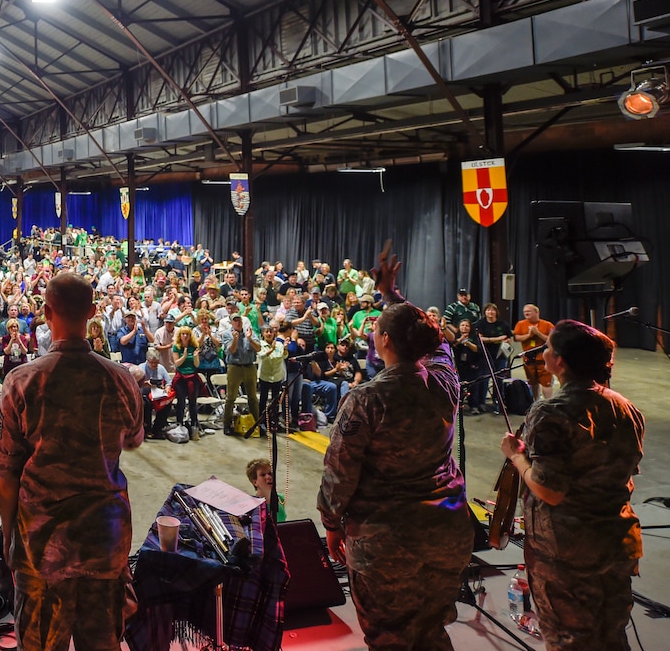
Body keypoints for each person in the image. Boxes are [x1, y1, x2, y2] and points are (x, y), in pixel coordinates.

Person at [318, 243, 474, 651]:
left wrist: (332, 524)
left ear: (384, 340)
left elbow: (339, 473)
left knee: (390, 638)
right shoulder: (445, 378)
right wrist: (394, 296)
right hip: (446, 531)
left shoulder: (367, 399)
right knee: (431, 630)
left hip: (386, 540)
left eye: (376, 328)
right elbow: (435, 342)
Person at [0, 272, 143, 651]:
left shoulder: (22, 381)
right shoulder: (121, 379)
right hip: (104, 544)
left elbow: (5, 476)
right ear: (93, 312)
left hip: (42, 546)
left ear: (45, 312)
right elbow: (134, 440)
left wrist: (11, 537)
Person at [499, 320, 644, 651]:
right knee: (611, 634)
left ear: (560, 361)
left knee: (571, 640)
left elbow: (550, 489)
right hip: (616, 540)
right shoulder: (626, 407)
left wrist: (517, 456)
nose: (544, 352)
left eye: (548, 347)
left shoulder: (551, 412)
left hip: (568, 553)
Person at [223, 313, 259, 436]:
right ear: (231, 322)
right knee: (230, 397)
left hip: (250, 367)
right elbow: (230, 350)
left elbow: (258, 348)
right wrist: (235, 339)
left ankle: (256, 424)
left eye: (239, 320)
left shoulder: (250, 332)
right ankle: (226, 425)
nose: (238, 322)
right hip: (235, 368)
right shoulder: (227, 334)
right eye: (235, 321)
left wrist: (249, 339)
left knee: (253, 397)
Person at [514, 303, 554, 400]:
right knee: (532, 382)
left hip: (544, 359)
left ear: (537, 312)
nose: (526, 313)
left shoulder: (547, 325)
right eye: (524, 312)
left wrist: (537, 333)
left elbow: (552, 340)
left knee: (546, 383)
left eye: (529, 311)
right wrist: (529, 335)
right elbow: (516, 338)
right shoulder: (521, 324)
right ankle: (536, 402)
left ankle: (549, 404)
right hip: (529, 359)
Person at [246, 458, 286, 523]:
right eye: (263, 475)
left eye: (270, 473)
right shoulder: (253, 506)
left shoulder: (280, 498)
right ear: (255, 482)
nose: (269, 477)